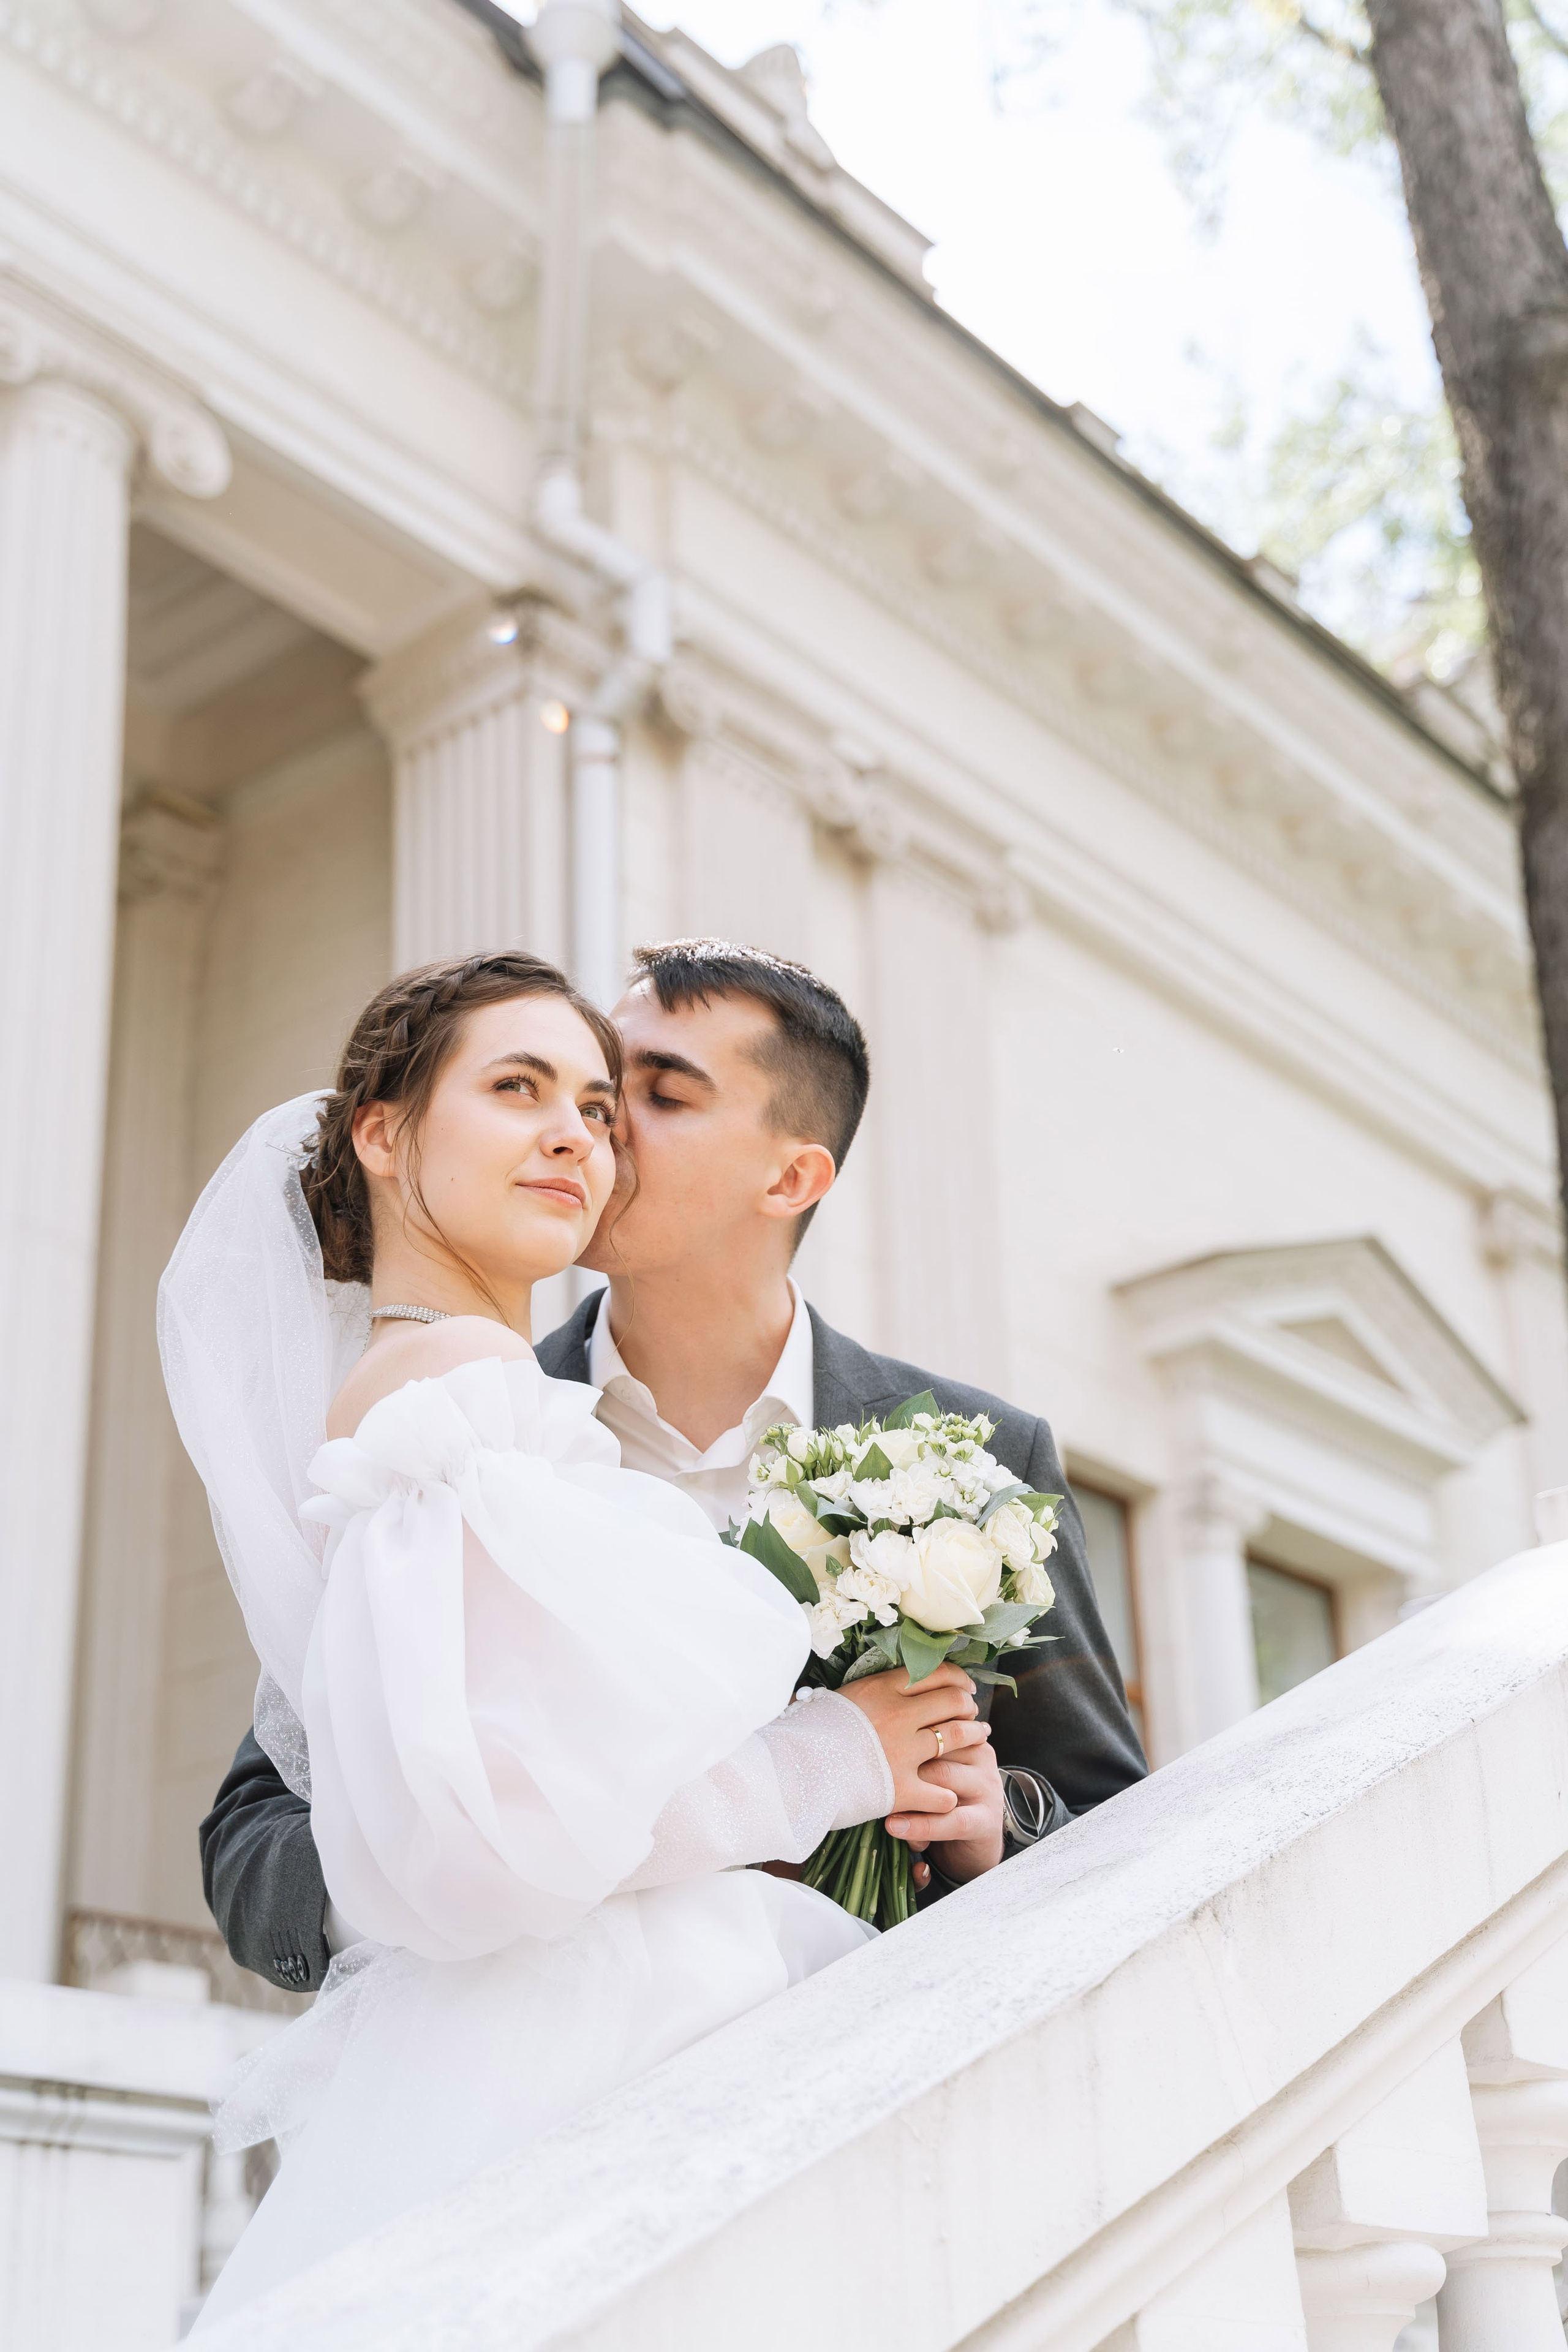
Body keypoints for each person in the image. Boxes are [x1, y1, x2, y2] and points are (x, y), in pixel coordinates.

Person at [164, 952, 988, 2323]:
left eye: (601, 1107)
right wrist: (829, 1761)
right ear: (383, 1136)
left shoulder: (439, 1394)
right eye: (517, 1088)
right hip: (571, 2044)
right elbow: (487, 1844)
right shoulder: (456, 1401)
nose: (580, 1136)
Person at [201, 941, 1146, 2002]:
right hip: (546, 2049)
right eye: (585, 1089)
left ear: (790, 1177)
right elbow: (262, 1836)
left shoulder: (985, 1459)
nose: (592, 1132)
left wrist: (994, 1827)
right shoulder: (451, 1427)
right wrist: (428, 1894)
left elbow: (1123, 1825)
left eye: (652, 1096)